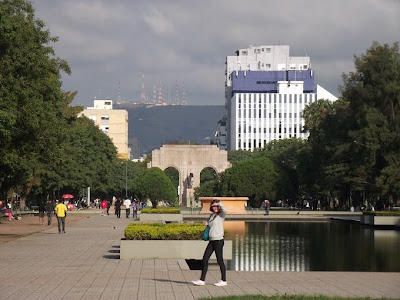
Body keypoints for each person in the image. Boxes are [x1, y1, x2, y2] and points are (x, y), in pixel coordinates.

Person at [192, 200, 227, 287]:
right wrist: (207, 224)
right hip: (212, 240)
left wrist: (219, 203)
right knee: (205, 259)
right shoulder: (211, 216)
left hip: (218, 240)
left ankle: (223, 280)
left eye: (217, 206)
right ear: (211, 207)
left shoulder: (221, 215)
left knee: (220, 260)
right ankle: (202, 280)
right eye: (214, 206)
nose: (215, 208)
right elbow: (211, 225)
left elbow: (225, 209)